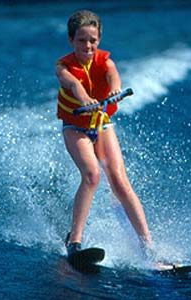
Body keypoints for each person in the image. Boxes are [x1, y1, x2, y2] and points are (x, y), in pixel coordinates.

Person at [56, 10, 154, 263]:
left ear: (99, 40)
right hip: (75, 127)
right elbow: (74, 84)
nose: (88, 46)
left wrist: (115, 89)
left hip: (101, 123)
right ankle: (74, 242)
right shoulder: (63, 67)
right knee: (92, 175)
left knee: (120, 181)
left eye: (93, 40)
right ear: (71, 40)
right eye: (81, 40)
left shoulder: (106, 62)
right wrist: (85, 98)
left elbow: (113, 76)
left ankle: (148, 248)